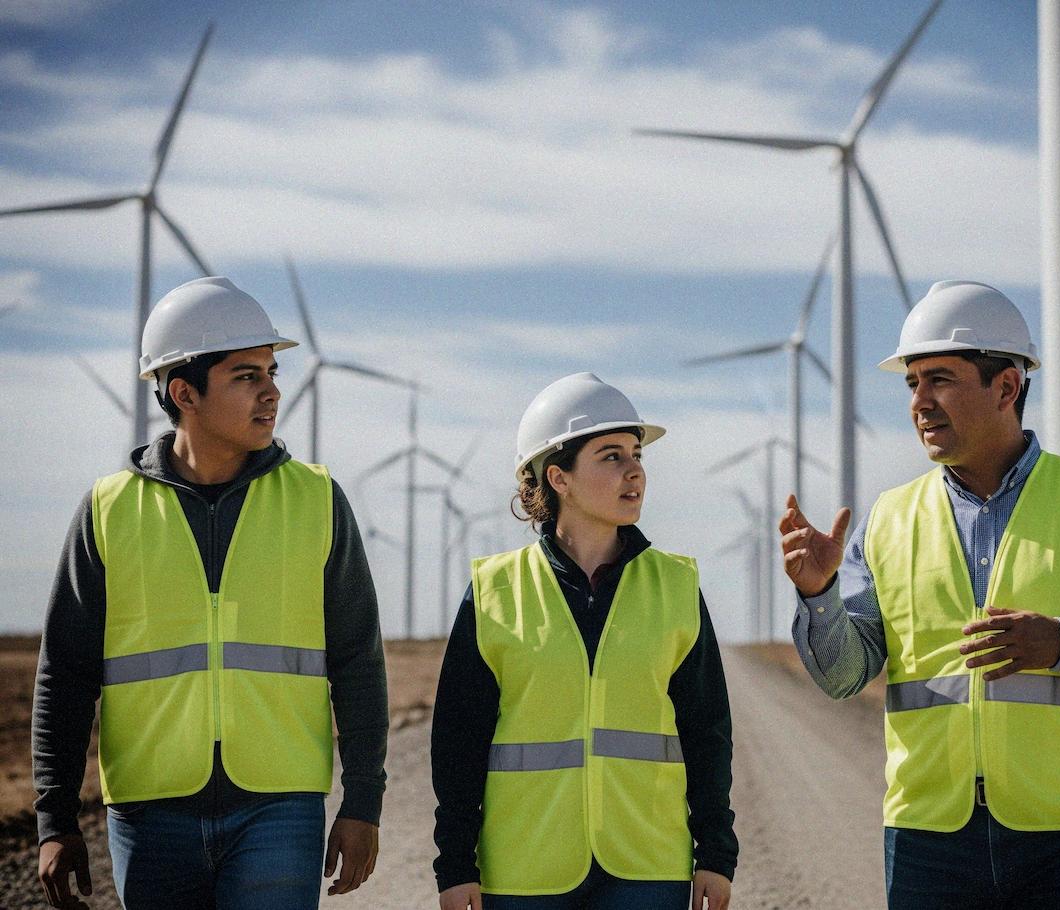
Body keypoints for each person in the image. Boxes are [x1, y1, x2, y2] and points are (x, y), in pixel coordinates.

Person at [780, 281, 1060, 910]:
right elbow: (843, 677)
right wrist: (820, 597)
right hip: (927, 837)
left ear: (1007, 387)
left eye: (940, 379)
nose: (920, 402)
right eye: (912, 383)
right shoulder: (887, 521)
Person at [32, 276, 388, 910]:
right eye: (246, 375)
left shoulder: (316, 501)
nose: (273, 391)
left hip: (280, 808)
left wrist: (363, 803)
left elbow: (358, 661)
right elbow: (65, 672)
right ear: (183, 393)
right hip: (150, 814)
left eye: (272, 371)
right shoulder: (108, 511)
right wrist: (54, 819)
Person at [431, 372, 736, 910]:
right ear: (559, 477)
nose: (635, 470)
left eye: (637, 454)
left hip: (647, 864)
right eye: (611, 456)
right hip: (525, 870)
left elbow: (706, 729)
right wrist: (454, 865)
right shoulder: (494, 590)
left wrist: (716, 853)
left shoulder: (676, 585)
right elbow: (459, 739)